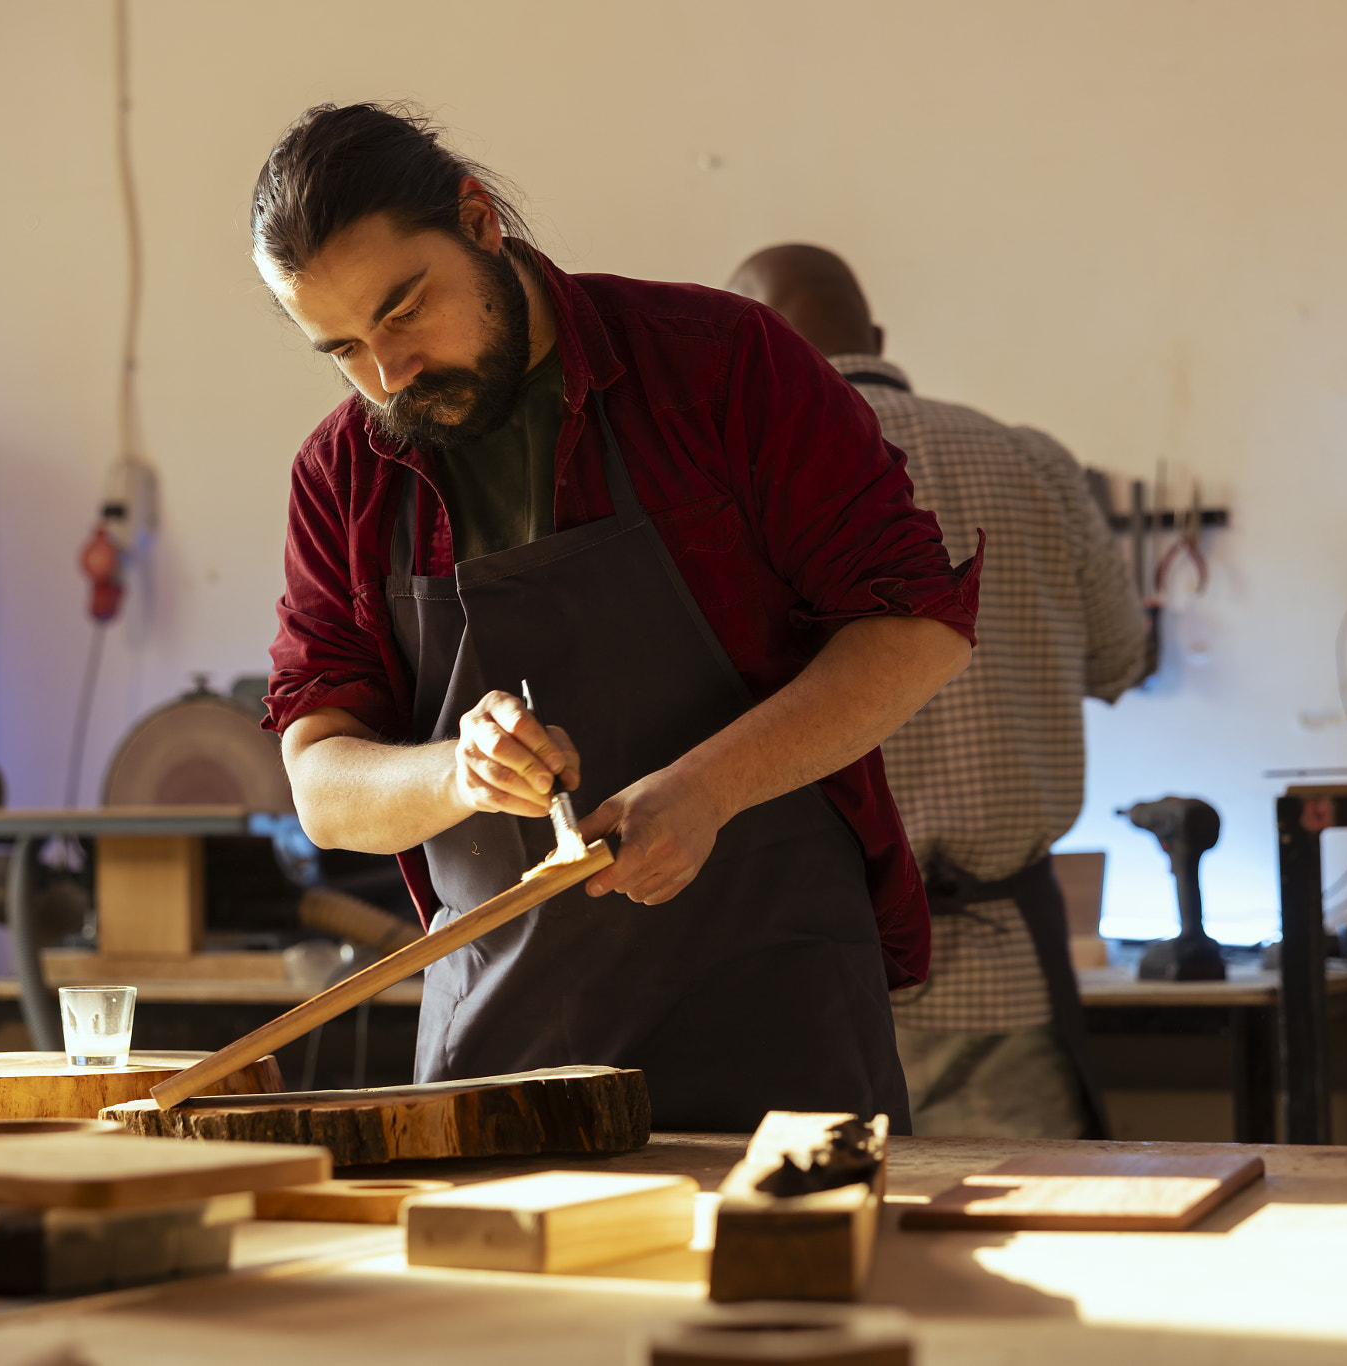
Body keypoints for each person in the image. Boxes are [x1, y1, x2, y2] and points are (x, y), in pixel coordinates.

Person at [254, 105, 980, 1133]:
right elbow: (323, 785)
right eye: (342, 349)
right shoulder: (344, 475)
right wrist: (455, 772)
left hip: (775, 1016)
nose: (389, 375)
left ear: (477, 223)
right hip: (502, 1052)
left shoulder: (718, 365)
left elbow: (914, 627)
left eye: (406, 310)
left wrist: (704, 788)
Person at [729, 244, 1145, 1139]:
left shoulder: (737, 484)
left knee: (827, 1250)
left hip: (821, 977)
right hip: (1006, 975)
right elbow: (1122, 660)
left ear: (752, 350)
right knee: (1035, 1243)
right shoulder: (1033, 461)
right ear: (875, 336)